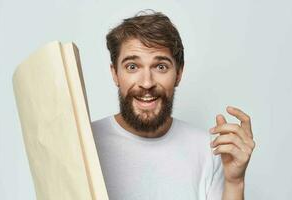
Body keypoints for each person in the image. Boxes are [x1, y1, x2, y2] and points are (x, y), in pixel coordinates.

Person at [92, 10, 255, 200]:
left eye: (160, 66)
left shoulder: (209, 150)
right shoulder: (84, 143)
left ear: (178, 73)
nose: (146, 82)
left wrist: (235, 183)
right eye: (132, 66)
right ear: (115, 74)